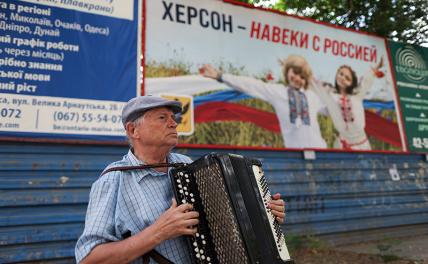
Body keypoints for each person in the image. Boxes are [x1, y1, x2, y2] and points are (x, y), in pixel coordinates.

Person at [75, 95, 286, 263]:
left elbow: (221, 216)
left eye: (173, 118)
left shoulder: (185, 164)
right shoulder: (113, 181)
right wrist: (159, 232)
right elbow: (89, 259)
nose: (173, 123)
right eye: (162, 117)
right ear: (133, 130)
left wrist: (262, 212)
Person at [201, 55, 327, 149]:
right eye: (295, 72)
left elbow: (336, 110)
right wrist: (221, 76)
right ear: (287, 71)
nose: (297, 78)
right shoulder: (278, 92)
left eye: (302, 77)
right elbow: (252, 85)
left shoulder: (313, 97)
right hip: (294, 154)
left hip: (320, 152)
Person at [310, 58, 384, 150]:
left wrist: (376, 67)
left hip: (362, 144)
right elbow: (316, 86)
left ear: (351, 83)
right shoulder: (331, 96)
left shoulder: (357, 95)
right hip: (343, 145)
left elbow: (365, 81)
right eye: (341, 74)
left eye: (347, 78)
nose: (342, 78)